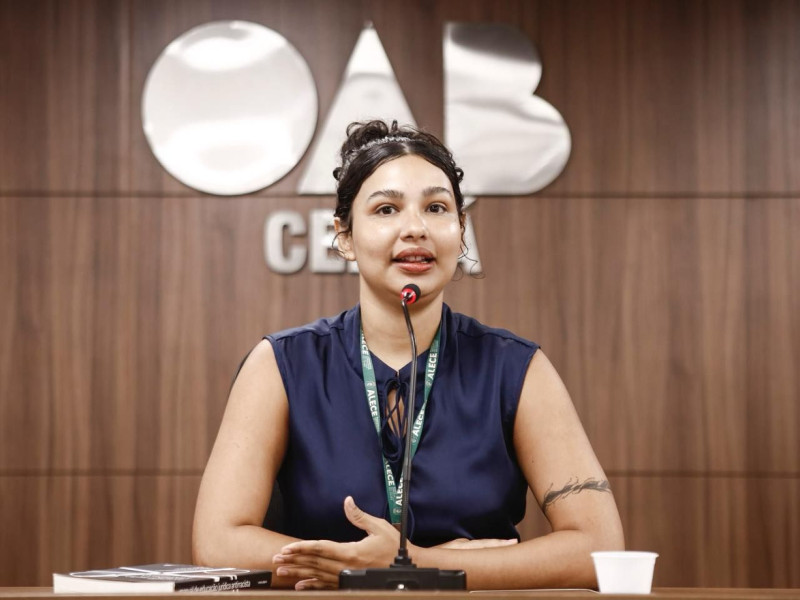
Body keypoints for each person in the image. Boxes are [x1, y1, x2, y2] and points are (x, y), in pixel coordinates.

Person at [192, 120, 624, 590]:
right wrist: (365, 573)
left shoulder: (516, 368)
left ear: (461, 231)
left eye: (436, 208)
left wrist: (414, 564)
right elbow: (217, 543)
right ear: (344, 235)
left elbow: (599, 547)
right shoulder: (281, 364)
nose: (415, 228)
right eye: (386, 209)